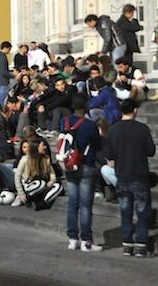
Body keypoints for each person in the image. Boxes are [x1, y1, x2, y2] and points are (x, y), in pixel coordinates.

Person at [103, 99, 155, 257]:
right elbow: (151, 151)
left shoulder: (113, 129)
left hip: (122, 175)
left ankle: (127, 243)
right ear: (134, 110)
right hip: (139, 174)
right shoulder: (142, 128)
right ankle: (141, 244)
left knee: (126, 210)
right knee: (142, 211)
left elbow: (110, 154)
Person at [61, 96, 103, 252]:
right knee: (85, 205)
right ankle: (86, 241)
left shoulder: (64, 121)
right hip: (86, 164)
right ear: (85, 106)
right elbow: (98, 145)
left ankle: (72, 239)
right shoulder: (90, 125)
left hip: (69, 164)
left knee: (73, 202)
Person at [19, 138, 63, 209]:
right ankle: (28, 198)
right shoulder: (25, 159)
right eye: (43, 146)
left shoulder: (46, 158)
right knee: (40, 184)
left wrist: (52, 180)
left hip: (44, 184)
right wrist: (21, 193)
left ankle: (42, 203)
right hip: (30, 184)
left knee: (58, 186)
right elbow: (17, 176)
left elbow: (52, 173)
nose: (45, 147)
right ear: (37, 147)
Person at [0, 41, 13, 107]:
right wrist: (13, 75)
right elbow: (4, 72)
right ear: (5, 48)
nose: (9, 51)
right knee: (1, 104)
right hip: (3, 83)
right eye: (9, 49)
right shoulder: (2, 57)